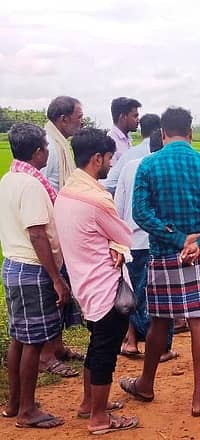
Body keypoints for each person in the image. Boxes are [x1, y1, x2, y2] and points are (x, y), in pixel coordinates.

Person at [120, 107, 200, 417]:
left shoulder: (148, 166)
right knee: (199, 320)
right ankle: (198, 399)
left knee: (159, 320)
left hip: (163, 253)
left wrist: (175, 238)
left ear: (162, 134)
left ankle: (145, 384)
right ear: (191, 133)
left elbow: (142, 214)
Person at [55, 128, 140, 434]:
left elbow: (102, 236)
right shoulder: (97, 199)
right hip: (106, 288)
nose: (110, 164)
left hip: (83, 283)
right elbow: (126, 235)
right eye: (108, 158)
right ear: (96, 159)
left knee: (96, 346)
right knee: (105, 352)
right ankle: (100, 419)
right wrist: (116, 244)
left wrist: (113, 244)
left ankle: (89, 404)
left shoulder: (67, 191)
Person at [0, 123, 68, 429]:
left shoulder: (9, 180)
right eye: (45, 146)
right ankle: (27, 410)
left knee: (19, 338)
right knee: (34, 342)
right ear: (38, 151)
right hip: (32, 269)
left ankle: (15, 403)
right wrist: (56, 277)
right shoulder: (31, 186)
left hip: (13, 265)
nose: (48, 151)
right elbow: (38, 235)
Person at [115, 129, 177, 362]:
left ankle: (130, 342)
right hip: (158, 241)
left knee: (132, 293)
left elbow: (119, 208)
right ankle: (162, 348)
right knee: (161, 297)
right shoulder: (167, 169)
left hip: (131, 240)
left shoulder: (130, 166)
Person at [39, 96, 86, 378]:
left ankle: (57, 346)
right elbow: (43, 188)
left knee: (62, 289)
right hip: (49, 228)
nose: (81, 120)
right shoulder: (50, 147)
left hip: (60, 226)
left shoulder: (59, 143)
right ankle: (45, 354)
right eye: (79, 116)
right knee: (51, 290)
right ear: (63, 118)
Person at [104, 113, 159, 194]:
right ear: (160, 131)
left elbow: (109, 185)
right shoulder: (167, 156)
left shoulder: (128, 156)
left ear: (141, 133)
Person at [106, 97, 141, 165]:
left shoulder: (128, 138)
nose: (138, 120)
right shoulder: (111, 141)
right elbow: (111, 173)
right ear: (123, 117)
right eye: (135, 116)